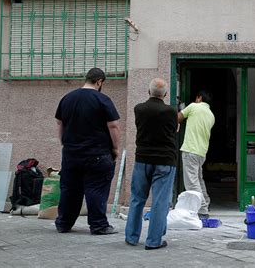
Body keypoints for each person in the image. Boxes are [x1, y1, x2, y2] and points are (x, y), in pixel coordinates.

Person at [55, 67, 121, 235]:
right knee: (96, 189)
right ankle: (98, 225)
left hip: (71, 153)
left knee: (70, 189)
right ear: (99, 81)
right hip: (97, 153)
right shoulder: (102, 99)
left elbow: (60, 123)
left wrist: (64, 143)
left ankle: (64, 223)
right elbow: (113, 125)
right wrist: (115, 148)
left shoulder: (67, 98)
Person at [125, 78, 178, 250]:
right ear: (165, 95)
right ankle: (154, 240)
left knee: (137, 199)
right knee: (160, 202)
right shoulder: (170, 111)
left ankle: (131, 237)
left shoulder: (138, 109)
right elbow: (174, 129)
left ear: (149, 92)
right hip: (164, 161)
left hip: (142, 159)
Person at [178, 90, 215, 218]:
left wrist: (180, 109)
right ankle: (206, 201)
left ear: (199, 98)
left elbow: (178, 118)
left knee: (191, 182)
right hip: (201, 152)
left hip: (190, 150)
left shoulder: (193, 106)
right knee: (199, 179)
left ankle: (203, 210)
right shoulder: (211, 115)